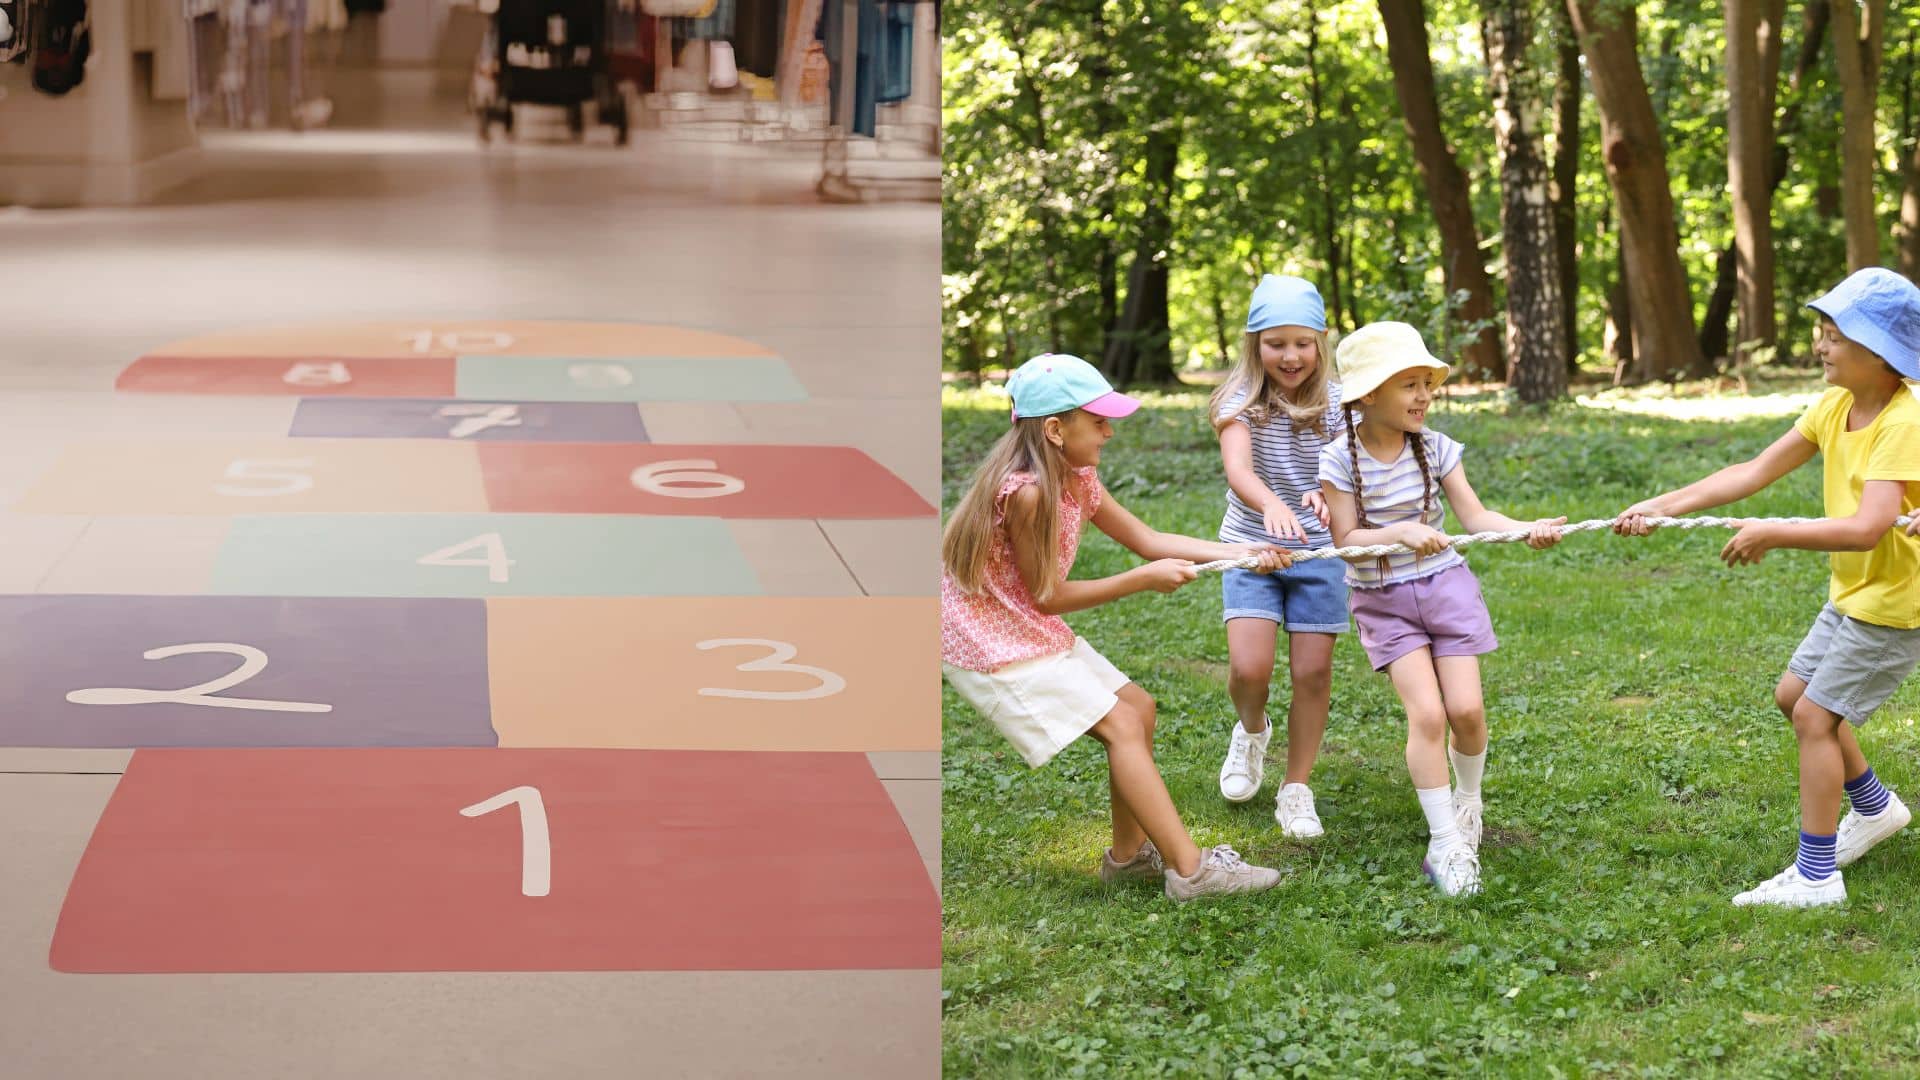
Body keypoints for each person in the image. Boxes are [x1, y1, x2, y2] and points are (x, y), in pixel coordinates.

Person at [1618, 268, 1920, 908]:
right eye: (1822, 331)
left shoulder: (1901, 423)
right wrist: (1666, 504)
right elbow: (1753, 470)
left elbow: (1869, 529)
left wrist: (1774, 533)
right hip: (1855, 592)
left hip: (1896, 603)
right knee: (1795, 696)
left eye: (1834, 335)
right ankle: (1873, 807)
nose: (1819, 344)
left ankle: (1816, 877)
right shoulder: (1834, 407)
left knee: (1817, 716)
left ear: (1879, 352)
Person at [942, 352, 1292, 901]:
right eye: (1098, 420)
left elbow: (1148, 539)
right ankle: (1191, 872)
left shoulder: (1076, 478)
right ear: (1056, 429)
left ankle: (1128, 859)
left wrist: (1244, 551)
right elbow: (1049, 595)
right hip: (988, 639)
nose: (1109, 431)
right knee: (1122, 727)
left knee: (1139, 709)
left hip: (1020, 623)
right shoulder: (1028, 492)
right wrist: (1141, 581)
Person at [1318, 322, 1564, 896]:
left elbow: (1476, 519)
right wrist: (1400, 532)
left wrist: (1526, 530)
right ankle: (1445, 846)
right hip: (1384, 602)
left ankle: (1468, 803)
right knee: (1428, 716)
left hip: (1446, 589)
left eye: (1426, 382)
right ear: (1367, 395)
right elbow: (1344, 539)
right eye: (1408, 384)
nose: (1424, 395)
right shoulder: (1339, 459)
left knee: (1469, 712)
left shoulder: (1436, 447)